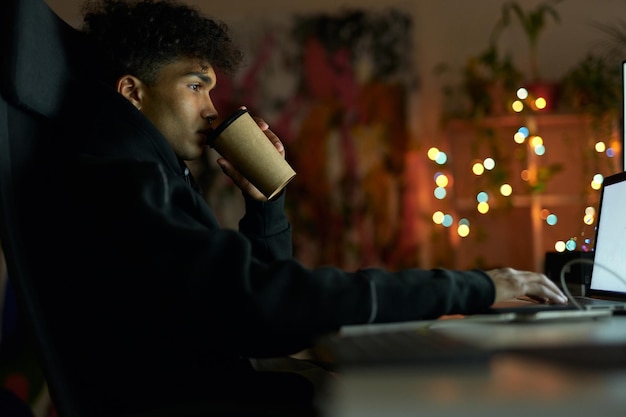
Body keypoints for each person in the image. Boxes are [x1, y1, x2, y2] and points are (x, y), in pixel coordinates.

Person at [32, 0, 567, 414]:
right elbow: (266, 304)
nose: (211, 112)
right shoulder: (120, 179)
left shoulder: (139, 168)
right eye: (196, 86)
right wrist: (479, 286)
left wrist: (266, 206)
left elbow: (251, 298)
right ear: (132, 92)